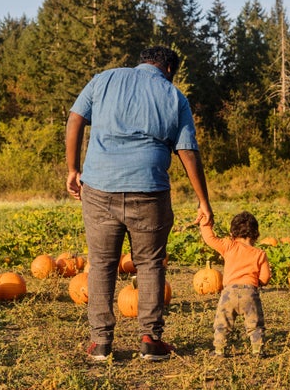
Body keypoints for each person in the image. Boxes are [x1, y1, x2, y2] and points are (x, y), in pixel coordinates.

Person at [66, 45, 213, 362]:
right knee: (149, 264)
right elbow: (187, 151)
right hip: (150, 191)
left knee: (102, 264)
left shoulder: (104, 80)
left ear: (142, 62)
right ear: (170, 70)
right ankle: (150, 339)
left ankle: (101, 343)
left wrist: (72, 168)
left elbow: (76, 118)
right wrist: (203, 201)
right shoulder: (174, 97)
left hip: (100, 188)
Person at [199, 211, 271, 358]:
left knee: (222, 324)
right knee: (255, 324)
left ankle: (219, 350)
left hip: (228, 293)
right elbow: (265, 277)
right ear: (256, 234)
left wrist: (205, 223)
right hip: (249, 293)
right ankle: (257, 350)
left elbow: (209, 238)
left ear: (232, 233)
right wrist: (258, 282)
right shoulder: (259, 253)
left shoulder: (229, 245)